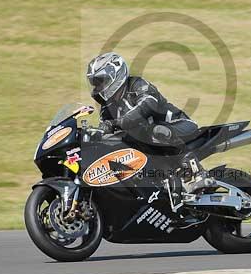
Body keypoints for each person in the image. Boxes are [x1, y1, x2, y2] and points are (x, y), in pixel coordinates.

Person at [86, 52, 207, 193]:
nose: (98, 88)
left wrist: (117, 123)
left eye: (101, 81)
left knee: (156, 131)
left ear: (115, 75)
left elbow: (147, 106)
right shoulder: (107, 107)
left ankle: (196, 171)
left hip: (179, 125)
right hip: (148, 143)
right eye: (95, 84)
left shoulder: (137, 85)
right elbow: (106, 132)